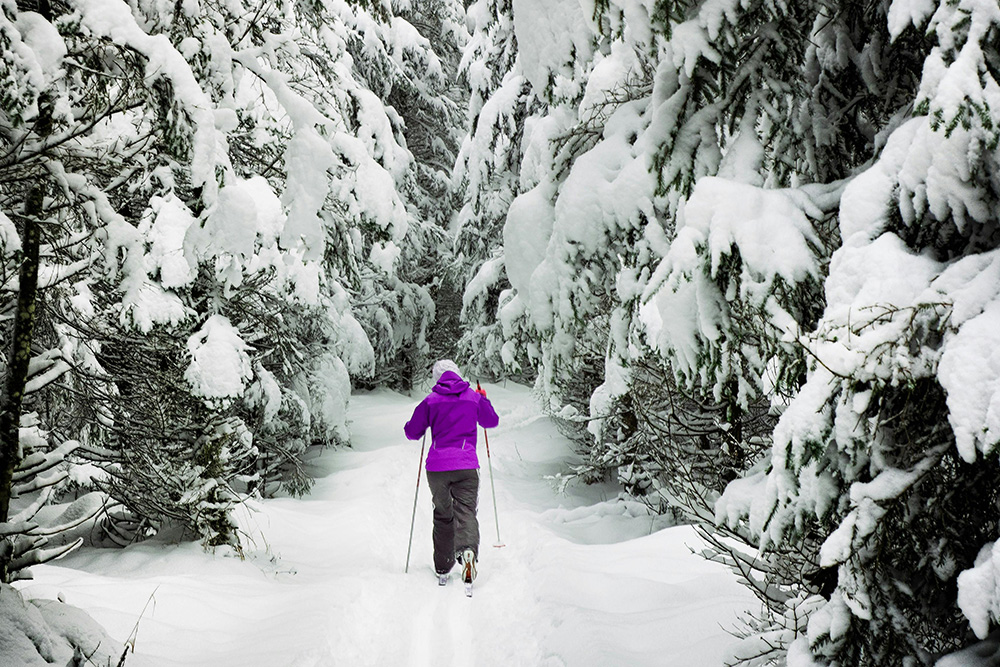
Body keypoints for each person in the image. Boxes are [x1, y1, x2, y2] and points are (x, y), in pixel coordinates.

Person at [404, 360, 499, 585]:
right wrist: (483, 399)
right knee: (466, 511)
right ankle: (468, 553)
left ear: (438, 378)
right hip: (466, 465)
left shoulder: (431, 400)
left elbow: (412, 432)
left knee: (443, 515)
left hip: (437, 468)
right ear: (457, 374)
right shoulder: (472, 397)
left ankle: (443, 566)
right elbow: (491, 421)